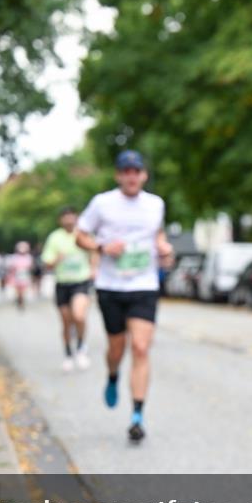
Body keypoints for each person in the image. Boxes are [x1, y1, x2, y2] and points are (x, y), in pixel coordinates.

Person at [76, 150, 175, 442]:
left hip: (144, 285)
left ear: (144, 175)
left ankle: (137, 416)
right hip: (111, 286)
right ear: (118, 176)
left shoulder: (155, 204)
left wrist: (164, 248)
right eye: (126, 171)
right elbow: (80, 235)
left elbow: (157, 235)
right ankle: (112, 375)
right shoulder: (102, 203)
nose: (131, 176)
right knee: (116, 349)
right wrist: (102, 247)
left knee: (141, 348)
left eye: (136, 171)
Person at [41, 207, 97, 372]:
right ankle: (67, 354)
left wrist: (94, 269)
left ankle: (81, 347)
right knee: (66, 321)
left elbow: (95, 251)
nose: (69, 220)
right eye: (65, 217)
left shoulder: (83, 234)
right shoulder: (55, 237)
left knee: (79, 315)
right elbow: (47, 262)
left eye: (71, 216)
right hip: (62, 283)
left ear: (77, 218)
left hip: (81, 282)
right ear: (60, 220)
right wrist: (56, 259)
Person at [6, 241, 34, 310]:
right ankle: (19, 300)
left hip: (24, 275)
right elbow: (11, 267)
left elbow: (30, 267)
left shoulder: (28, 257)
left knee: (23, 290)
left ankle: (21, 300)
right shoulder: (14, 257)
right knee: (18, 289)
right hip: (16, 275)